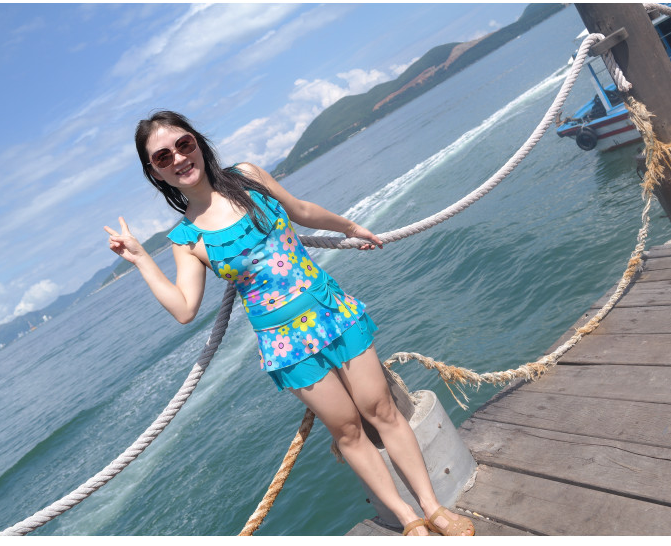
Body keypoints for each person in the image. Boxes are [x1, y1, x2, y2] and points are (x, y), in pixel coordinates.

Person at [98, 111, 471, 536]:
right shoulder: (186, 239)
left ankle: (432, 507)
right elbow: (184, 309)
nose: (179, 158)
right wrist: (141, 259)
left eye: (183, 144)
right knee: (348, 431)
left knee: (381, 409)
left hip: (333, 310)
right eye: (163, 157)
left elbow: (301, 210)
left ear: (197, 141)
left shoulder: (247, 177)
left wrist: (350, 227)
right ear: (155, 172)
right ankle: (409, 520)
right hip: (286, 345)